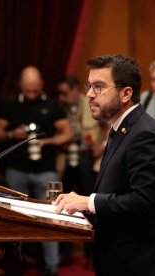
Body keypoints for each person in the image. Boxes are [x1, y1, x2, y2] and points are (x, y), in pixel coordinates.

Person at [54, 55, 155, 276]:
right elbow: (116, 191)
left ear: (126, 94)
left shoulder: (144, 134)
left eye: (99, 87)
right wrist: (79, 212)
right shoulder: (121, 129)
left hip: (141, 262)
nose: (89, 94)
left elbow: (143, 201)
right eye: (89, 86)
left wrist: (89, 202)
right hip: (121, 257)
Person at [0, 65, 73, 275]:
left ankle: (51, 267)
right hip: (16, 170)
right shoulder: (9, 106)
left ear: (41, 86)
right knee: (14, 218)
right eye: (28, 90)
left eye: (35, 90)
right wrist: (11, 135)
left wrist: (49, 141)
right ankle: (15, 264)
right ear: (21, 85)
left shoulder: (52, 106)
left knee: (52, 218)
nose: (31, 94)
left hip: (45, 171)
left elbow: (68, 134)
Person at [56, 75, 106, 269]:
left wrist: (102, 145)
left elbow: (108, 126)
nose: (61, 97)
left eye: (64, 93)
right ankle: (65, 252)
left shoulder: (91, 103)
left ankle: (90, 254)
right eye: (59, 93)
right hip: (68, 158)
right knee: (63, 203)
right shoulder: (60, 108)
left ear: (75, 91)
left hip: (87, 159)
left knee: (89, 204)